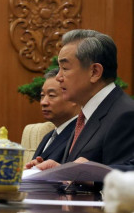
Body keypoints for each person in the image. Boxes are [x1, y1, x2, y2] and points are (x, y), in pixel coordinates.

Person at [35, 30, 134, 170]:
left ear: (94, 72)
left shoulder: (126, 115)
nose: (58, 77)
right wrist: (58, 171)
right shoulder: (86, 115)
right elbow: (81, 169)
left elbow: (127, 175)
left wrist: (89, 174)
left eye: (65, 68)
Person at [24, 69, 78, 168]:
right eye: (42, 95)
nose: (43, 102)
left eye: (51, 95)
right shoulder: (48, 136)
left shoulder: (81, 134)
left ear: (73, 98)